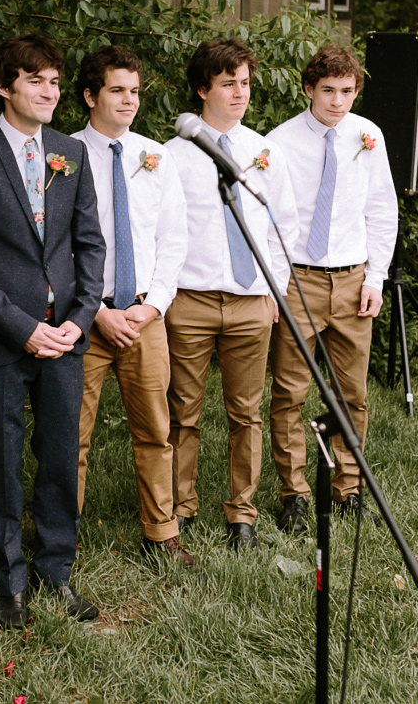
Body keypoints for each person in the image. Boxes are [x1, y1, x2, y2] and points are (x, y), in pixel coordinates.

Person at [0, 34, 106, 629]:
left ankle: (55, 573)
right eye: (36, 80)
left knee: (61, 457)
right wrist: (23, 328)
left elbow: (90, 246)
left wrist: (78, 321)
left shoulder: (71, 154)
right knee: (2, 462)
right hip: (1, 344)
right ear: (5, 86)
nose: (49, 92)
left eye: (55, 81)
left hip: (65, 340)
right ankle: (9, 581)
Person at [161, 39, 298, 550]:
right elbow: (163, 230)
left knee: (247, 412)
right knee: (184, 410)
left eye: (244, 82)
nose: (240, 93)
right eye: (227, 84)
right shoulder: (171, 156)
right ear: (203, 89)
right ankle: (180, 505)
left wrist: (276, 294)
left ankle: (243, 513)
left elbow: (284, 225)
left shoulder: (265, 153)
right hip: (191, 301)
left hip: (251, 300)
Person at [69, 46, 193, 568]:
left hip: (143, 315)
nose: (128, 100)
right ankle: (62, 536)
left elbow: (173, 238)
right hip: (82, 317)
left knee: (156, 429)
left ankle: (162, 532)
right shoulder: (62, 155)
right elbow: (55, 246)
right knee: (70, 432)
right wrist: (95, 310)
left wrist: (154, 306)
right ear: (90, 96)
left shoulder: (155, 155)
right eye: (117, 90)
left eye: (135, 91)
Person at [266, 45, 398, 533]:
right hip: (298, 279)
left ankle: (349, 485)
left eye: (347, 91)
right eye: (328, 91)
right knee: (290, 391)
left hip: (353, 279)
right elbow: (268, 219)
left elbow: (382, 210)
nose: (338, 102)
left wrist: (376, 277)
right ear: (308, 90)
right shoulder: (277, 143)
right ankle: (295, 492)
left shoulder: (369, 136)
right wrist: (275, 286)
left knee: (352, 392)